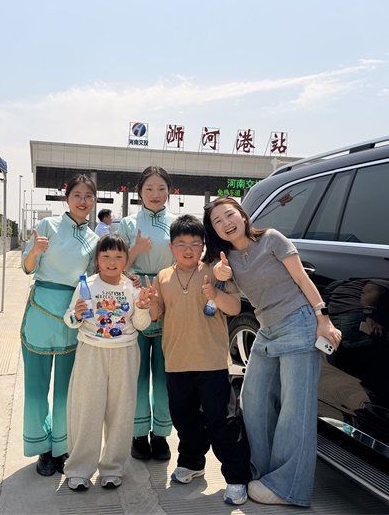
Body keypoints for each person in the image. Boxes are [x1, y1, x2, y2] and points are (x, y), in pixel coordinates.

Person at [203, 196, 342, 507]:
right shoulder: (226, 260)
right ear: (214, 230)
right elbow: (231, 305)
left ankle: (287, 487)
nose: (226, 223)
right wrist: (219, 277)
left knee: (295, 410)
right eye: (218, 221)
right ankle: (262, 472)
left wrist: (323, 318)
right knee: (252, 401)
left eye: (230, 215)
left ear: (243, 215)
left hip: (298, 322)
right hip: (266, 329)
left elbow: (302, 278)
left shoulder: (271, 239)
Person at [147, 215, 252, 506]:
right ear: (171, 247)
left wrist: (215, 292)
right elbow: (155, 315)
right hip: (176, 363)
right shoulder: (163, 277)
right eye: (181, 244)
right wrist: (148, 301)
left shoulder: (216, 271)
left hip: (212, 363)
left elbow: (233, 308)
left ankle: (236, 477)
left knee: (222, 421)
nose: (188, 250)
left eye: (195, 243)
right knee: (184, 418)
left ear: (203, 246)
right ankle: (192, 463)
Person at [20, 175, 99, 477]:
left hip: (72, 313)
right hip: (41, 310)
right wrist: (34, 252)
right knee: (36, 387)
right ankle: (42, 447)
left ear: (94, 201)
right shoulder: (47, 226)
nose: (82, 201)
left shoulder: (94, 240)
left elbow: (93, 278)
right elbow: (27, 267)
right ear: (67, 198)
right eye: (77, 194)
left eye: (88, 196)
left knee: (67, 389)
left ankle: (61, 447)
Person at [63, 234, 152, 491]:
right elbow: (70, 320)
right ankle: (79, 469)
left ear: (126, 259)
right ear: (97, 259)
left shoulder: (132, 288)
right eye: (106, 256)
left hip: (125, 353)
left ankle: (113, 468)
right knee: (86, 411)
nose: (112, 262)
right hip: (91, 352)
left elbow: (142, 325)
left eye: (118, 256)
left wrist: (143, 307)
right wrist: (76, 314)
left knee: (121, 413)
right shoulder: (86, 285)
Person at [117, 166, 178, 461]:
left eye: (161, 188)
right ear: (139, 191)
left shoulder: (177, 223)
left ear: (170, 191)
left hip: (169, 298)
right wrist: (137, 251)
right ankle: (139, 433)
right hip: (136, 298)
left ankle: (162, 433)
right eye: (149, 189)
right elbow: (115, 264)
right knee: (137, 373)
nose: (156, 194)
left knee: (166, 373)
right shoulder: (127, 224)